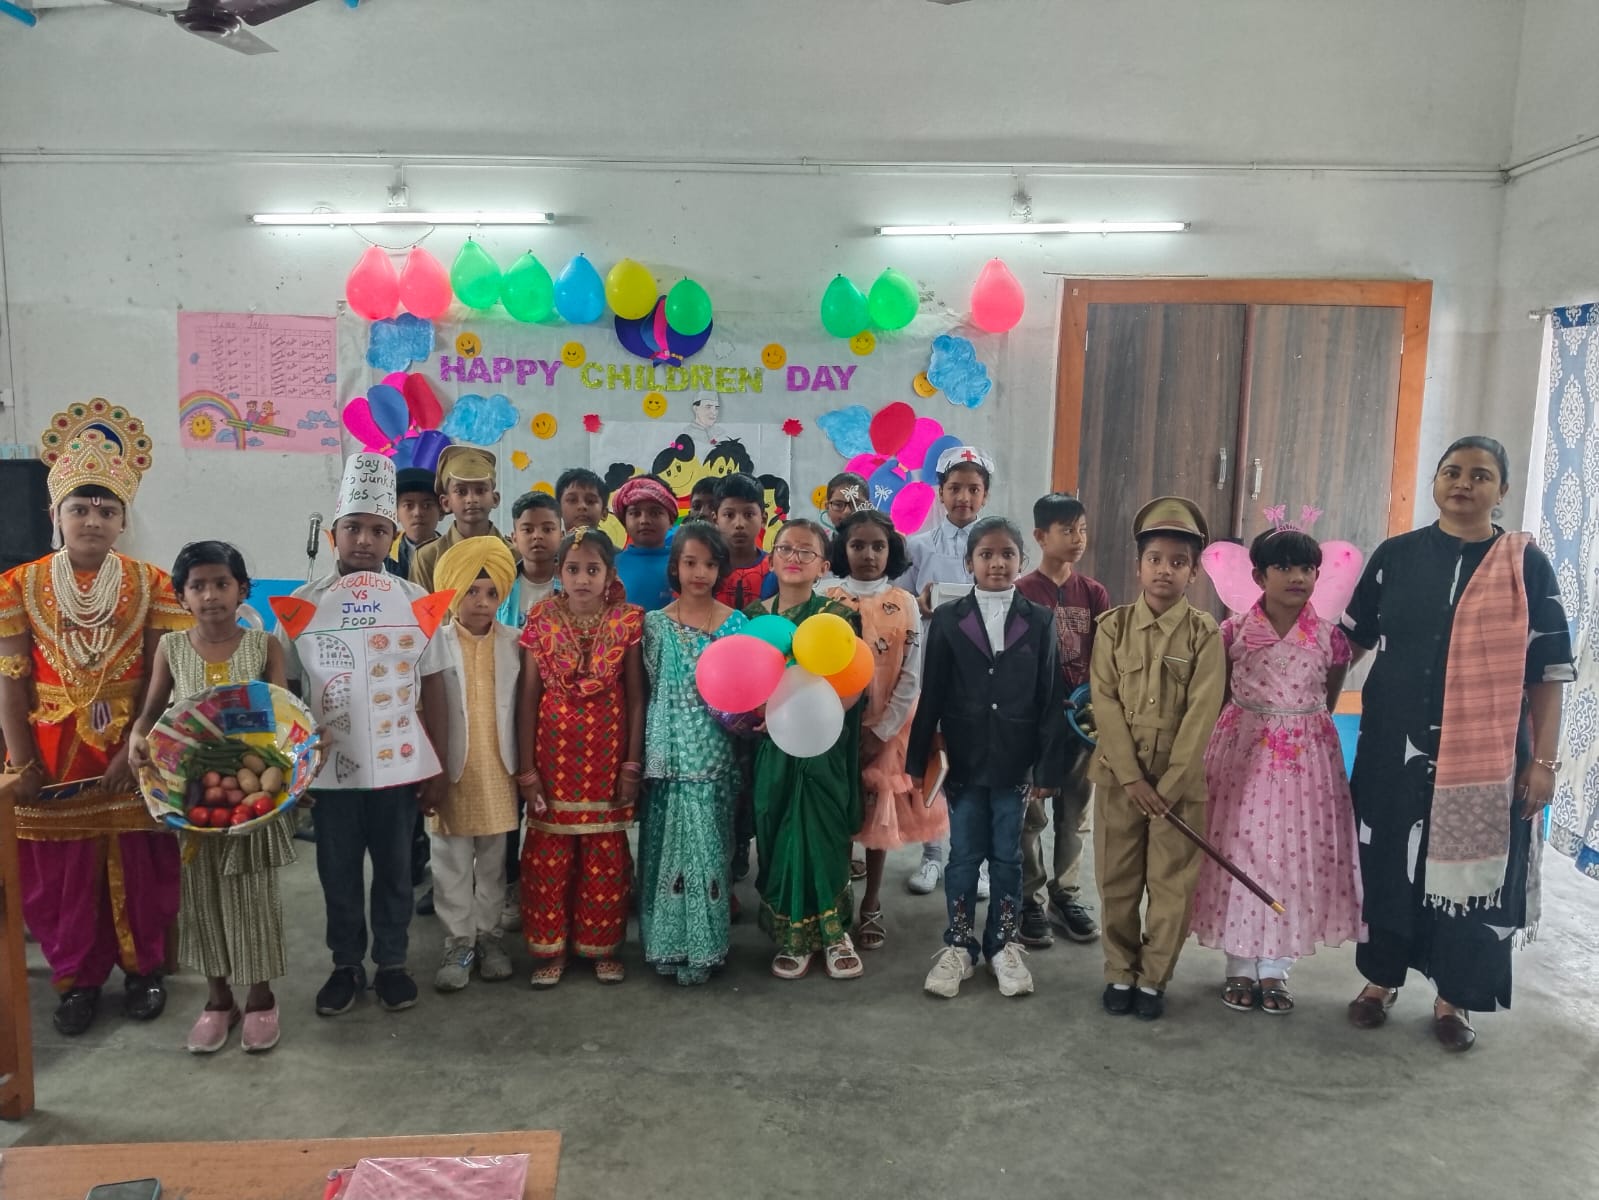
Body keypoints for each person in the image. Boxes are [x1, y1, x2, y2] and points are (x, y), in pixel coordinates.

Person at [1342, 436, 1573, 1051]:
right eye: (1451, 471)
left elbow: (1548, 672)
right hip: (1392, 749)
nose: (1463, 483)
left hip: (1487, 760)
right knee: (1388, 862)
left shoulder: (1525, 566)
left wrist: (1544, 762)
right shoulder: (1396, 556)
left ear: (1502, 491)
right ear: (1436, 482)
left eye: (1480, 475)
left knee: (1473, 883)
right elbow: (1348, 643)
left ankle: (1454, 997)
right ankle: (1380, 980)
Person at [0, 399, 188, 1036]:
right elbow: (10, 681)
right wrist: (21, 761)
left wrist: (138, 746)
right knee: (61, 874)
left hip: (134, 748)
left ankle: (144, 970)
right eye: (79, 508)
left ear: (123, 519)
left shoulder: (154, 584)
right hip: (51, 755)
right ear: (55, 514)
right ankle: (76, 980)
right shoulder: (17, 586)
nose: (93, 520)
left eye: (107, 510)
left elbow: (165, 677)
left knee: (141, 861)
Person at [277, 452, 449, 1017]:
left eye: (378, 530)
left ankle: (393, 963)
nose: (365, 540)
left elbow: (436, 688)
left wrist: (438, 767)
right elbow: (286, 694)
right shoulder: (303, 606)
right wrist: (293, 768)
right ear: (333, 534)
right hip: (330, 771)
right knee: (338, 872)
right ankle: (346, 964)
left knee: (397, 870)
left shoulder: (414, 603)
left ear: (393, 537)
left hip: (398, 766)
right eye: (353, 528)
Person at [1190, 522, 1364, 1015]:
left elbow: (1328, 696)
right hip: (1240, 755)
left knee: (1294, 857)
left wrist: (1298, 724)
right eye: (1284, 567)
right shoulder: (1232, 633)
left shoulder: (1331, 639)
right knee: (1239, 851)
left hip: (1307, 761)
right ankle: (1239, 964)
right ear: (1258, 576)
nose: (1297, 577)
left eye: (1307, 568)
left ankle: (1276, 968)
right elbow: (1218, 694)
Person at [129, 540, 294, 1053]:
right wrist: (137, 737)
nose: (210, 595)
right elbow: (151, 713)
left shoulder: (263, 646)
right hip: (193, 797)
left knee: (253, 898)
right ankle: (219, 1000)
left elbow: (285, 713)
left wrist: (300, 757)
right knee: (202, 900)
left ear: (242, 589)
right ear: (181, 596)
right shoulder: (172, 648)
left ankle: (261, 997)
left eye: (221, 584)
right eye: (197, 586)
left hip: (252, 798)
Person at [909, 517, 1069, 999]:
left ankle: (1003, 943)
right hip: (963, 757)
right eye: (986, 555)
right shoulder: (949, 619)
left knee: (1007, 855)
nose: (997, 563)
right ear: (969, 563)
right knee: (963, 854)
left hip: (1015, 760)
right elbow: (932, 692)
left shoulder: (1039, 620)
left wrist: (1047, 767)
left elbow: (1050, 695)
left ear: (1021, 561)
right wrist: (917, 762)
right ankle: (959, 943)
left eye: (1006, 554)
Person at [1087, 497, 1224, 1021]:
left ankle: (1153, 978)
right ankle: (1119, 970)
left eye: (1178, 561)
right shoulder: (1112, 627)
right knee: (1116, 878)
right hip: (1120, 781)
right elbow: (1104, 702)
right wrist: (1131, 778)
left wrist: (1168, 785)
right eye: (1155, 559)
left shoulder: (1205, 634)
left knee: (1172, 885)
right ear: (1139, 565)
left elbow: (1202, 714)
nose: (1165, 569)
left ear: (1194, 572)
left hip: (1177, 787)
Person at [517, 528, 645, 986]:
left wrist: (632, 764)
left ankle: (601, 948)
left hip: (608, 757)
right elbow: (527, 697)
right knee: (548, 858)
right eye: (573, 569)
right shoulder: (541, 618)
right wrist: (526, 771)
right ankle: (551, 950)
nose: (583, 579)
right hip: (552, 757)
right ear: (559, 573)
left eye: (593, 569)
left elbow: (636, 697)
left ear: (609, 574)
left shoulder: (628, 620)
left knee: (604, 855)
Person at [747, 519, 865, 981]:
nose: (794, 558)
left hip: (823, 747)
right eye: (785, 549)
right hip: (772, 747)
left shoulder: (837, 618)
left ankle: (836, 936)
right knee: (777, 828)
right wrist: (765, 714)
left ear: (824, 566)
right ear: (771, 558)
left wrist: (815, 720)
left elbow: (853, 682)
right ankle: (792, 937)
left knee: (825, 833)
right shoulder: (753, 618)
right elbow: (744, 680)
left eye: (806, 552)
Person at [824, 507, 940, 952]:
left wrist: (884, 729)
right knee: (837, 817)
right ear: (843, 549)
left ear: (891, 550)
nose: (868, 555)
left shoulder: (904, 602)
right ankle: (837, 902)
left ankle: (871, 901)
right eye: (858, 545)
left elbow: (911, 672)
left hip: (887, 727)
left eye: (878, 546)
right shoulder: (826, 595)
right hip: (831, 728)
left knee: (878, 819)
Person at [639, 524, 744, 984]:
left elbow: (745, 693)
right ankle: (666, 945)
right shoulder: (655, 625)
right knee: (666, 850)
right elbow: (648, 691)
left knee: (708, 849)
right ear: (675, 567)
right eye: (690, 562)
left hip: (716, 755)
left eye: (709, 564)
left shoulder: (736, 625)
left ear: (721, 569)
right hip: (669, 756)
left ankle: (705, 949)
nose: (700, 572)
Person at [418, 537, 522, 993]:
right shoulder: (432, 644)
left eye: (491, 592)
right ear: (453, 593)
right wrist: (429, 770)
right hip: (450, 770)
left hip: (498, 768)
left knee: (494, 859)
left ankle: (489, 936)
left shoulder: (516, 643)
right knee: (451, 859)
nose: (482, 602)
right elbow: (420, 708)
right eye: (472, 591)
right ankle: (458, 941)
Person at [896, 445, 995, 897]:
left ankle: (975, 861)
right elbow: (897, 602)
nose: (964, 498)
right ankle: (932, 855)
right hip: (932, 663)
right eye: (955, 488)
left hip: (980, 669)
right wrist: (918, 604)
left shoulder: (994, 546)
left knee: (976, 760)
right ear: (940, 492)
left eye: (973, 489)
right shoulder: (918, 547)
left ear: (985, 495)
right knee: (936, 759)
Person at [1015, 494, 1109, 947]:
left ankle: (1066, 895)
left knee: (1076, 815)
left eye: (1082, 530)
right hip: (1035, 727)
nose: (1078, 539)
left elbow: (1105, 656)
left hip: (1082, 724)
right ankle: (1028, 898)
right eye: (1067, 530)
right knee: (1030, 816)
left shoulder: (1093, 593)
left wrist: (1095, 707)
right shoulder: (1021, 591)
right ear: (1040, 536)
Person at [410, 447, 503, 594]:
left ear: (495, 499)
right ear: (445, 502)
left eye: (480, 490)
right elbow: (421, 607)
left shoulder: (515, 554)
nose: (471, 499)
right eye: (461, 491)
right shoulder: (429, 557)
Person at [613, 475, 678, 611]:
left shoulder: (683, 564)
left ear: (671, 520)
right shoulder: (611, 567)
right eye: (635, 513)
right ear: (624, 521)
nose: (644, 520)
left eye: (655, 513)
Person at [498, 491, 561, 629]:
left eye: (547, 529)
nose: (537, 536)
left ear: (561, 536)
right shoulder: (501, 586)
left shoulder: (571, 586)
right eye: (528, 530)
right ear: (514, 538)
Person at [388, 466, 443, 580]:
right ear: (395, 513)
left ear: (441, 511)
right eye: (408, 505)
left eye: (426, 505)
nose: (417, 513)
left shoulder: (454, 551)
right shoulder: (384, 555)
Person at [556, 467, 610, 535]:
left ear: (604, 513)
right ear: (558, 510)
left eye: (590, 501)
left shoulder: (609, 543)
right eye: (572, 500)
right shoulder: (549, 542)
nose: (582, 506)